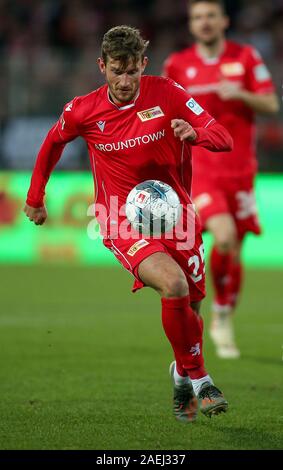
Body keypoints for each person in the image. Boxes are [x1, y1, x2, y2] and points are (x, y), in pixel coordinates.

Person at [24, 25, 233, 423]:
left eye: (132, 71)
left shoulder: (168, 93)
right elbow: (52, 142)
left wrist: (196, 133)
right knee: (172, 284)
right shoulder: (83, 110)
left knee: (191, 307)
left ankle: (180, 370)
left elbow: (221, 136)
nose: (125, 80)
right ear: (102, 66)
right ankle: (203, 381)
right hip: (121, 218)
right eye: (117, 71)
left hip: (178, 215)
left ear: (144, 66)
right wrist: (35, 198)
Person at [163, 0, 279, 359]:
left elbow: (271, 104)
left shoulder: (245, 57)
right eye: (198, 17)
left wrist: (240, 94)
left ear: (224, 20)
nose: (205, 22)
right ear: (191, 24)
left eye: (211, 15)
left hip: (240, 169)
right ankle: (207, 317)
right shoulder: (177, 65)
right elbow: (163, 112)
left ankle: (223, 315)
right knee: (224, 234)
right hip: (200, 169)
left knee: (234, 246)